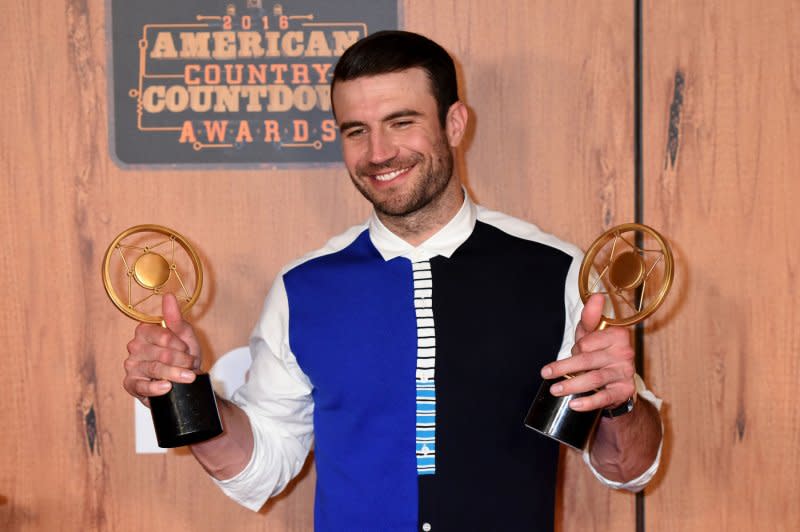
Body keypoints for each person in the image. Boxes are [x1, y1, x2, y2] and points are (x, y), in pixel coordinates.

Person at [124, 30, 663, 531]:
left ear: (454, 123)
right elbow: (260, 465)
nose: (378, 153)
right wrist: (180, 394)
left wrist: (621, 404)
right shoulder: (303, 288)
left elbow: (627, 468)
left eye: (402, 122)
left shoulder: (558, 271)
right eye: (356, 131)